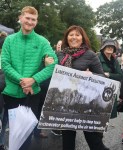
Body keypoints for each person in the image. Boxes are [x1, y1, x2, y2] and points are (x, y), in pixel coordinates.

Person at [1, 6, 58, 150]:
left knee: (26, 133)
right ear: (20, 18)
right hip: (11, 93)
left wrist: (33, 80)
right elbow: (5, 64)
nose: (30, 22)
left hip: (32, 94)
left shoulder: (42, 42)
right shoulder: (9, 40)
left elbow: (53, 64)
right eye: (27, 18)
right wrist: (23, 81)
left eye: (33, 19)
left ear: (36, 22)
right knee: (8, 130)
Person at [56, 25, 109, 150]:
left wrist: (92, 75)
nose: (74, 37)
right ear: (66, 38)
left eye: (77, 35)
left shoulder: (90, 55)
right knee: (67, 140)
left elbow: (103, 77)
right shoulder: (60, 54)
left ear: (82, 38)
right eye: (71, 35)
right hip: (66, 102)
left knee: (94, 141)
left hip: (86, 104)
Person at [98, 39, 123, 119]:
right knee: (97, 112)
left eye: (112, 47)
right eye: (108, 46)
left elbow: (120, 75)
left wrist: (109, 74)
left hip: (110, 90)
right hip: (98, 90)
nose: (110, 48)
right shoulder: (97, 57)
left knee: (106, 115)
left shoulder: (114, 60)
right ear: (103, 47)